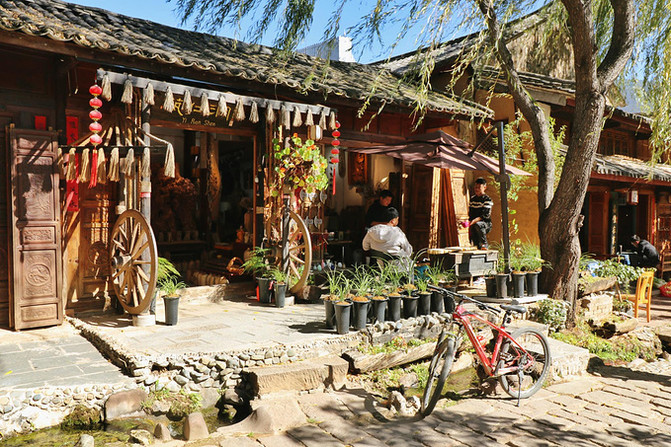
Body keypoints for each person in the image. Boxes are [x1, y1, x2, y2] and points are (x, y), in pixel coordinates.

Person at [462, 177, 493, 249]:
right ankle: (477, 246)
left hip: (485, 224)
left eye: (479, 187)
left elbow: (485, 215)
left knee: (478, 225)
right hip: (474, 222)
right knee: (473, 229)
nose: (477, 189)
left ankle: (484, 244)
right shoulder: (473, 199)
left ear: (484, 187)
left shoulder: (487, 199)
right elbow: (471, 213)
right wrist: (468, 221)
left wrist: (474, 221)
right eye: (476, 187)